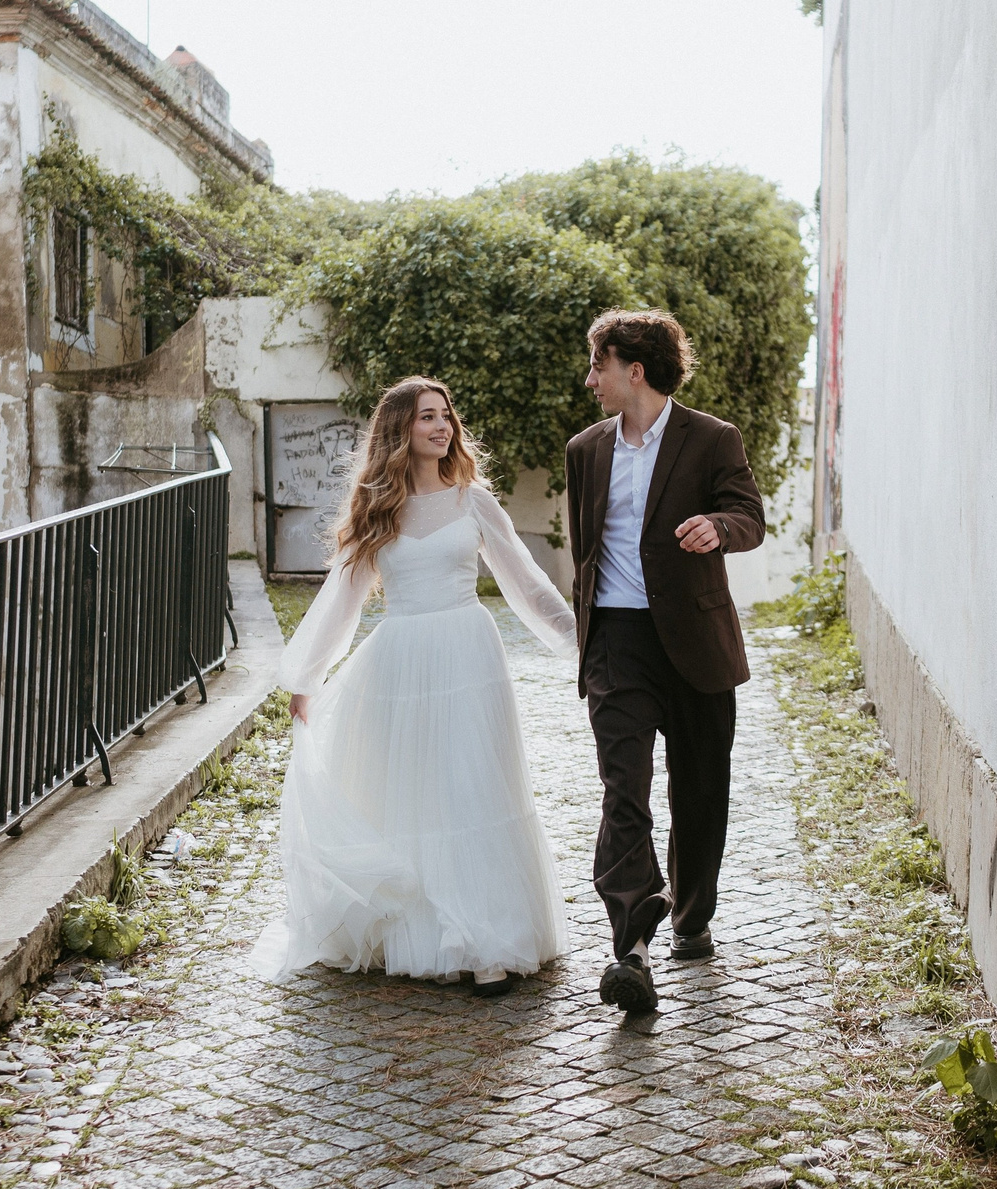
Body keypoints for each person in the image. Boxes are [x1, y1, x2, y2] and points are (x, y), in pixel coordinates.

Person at [258, 376, 577, 994]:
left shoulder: (474, 501)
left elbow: (526, 583)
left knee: (474, 786)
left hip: (469, 655)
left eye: (446, 417)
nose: (441, 427)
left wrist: (580, 642)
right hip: (402, 663)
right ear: (399, 430)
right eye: (426, 417)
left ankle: (487, 941)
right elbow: (341, 599)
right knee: (419, 792)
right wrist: (306, 677)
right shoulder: (376, 510)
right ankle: (429, 933)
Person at [565, 309, 766, 1015]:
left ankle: (691, 915)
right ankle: (631, 945)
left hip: (696, 644)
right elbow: (585, 553)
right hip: (618, 645)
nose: (591, 380)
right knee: (624, 793)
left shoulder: (712, 439)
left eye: (599, 366)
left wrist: (719, 528)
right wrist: (586, 643)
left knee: (701, 791)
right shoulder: (585, 450)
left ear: (635, 370)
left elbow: (750, 515)